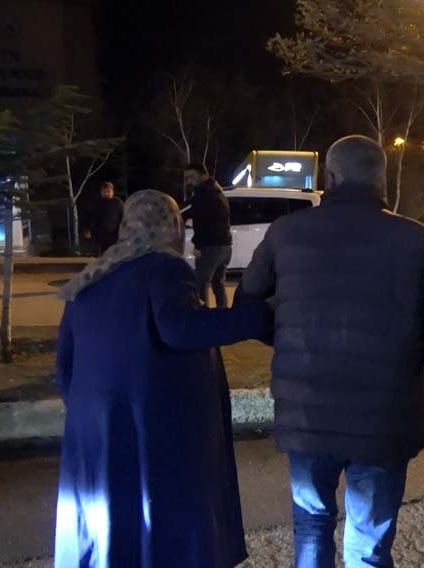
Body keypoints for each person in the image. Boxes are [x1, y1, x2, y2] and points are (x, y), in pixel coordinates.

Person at [240, 135, 424, 568]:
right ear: (381, 182)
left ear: (329, 178)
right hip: (383, 416)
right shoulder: (413, 240)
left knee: (312, 524)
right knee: (368, 545)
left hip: (308, 414)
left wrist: (292, 339)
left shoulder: (287, 232)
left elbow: (247, 306)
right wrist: (403, 355)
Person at [54, 190, 271, 568]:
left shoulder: (93, 275)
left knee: (114, 519)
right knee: (162, 522)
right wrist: (257, 317)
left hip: (97, 428)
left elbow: (65, 365)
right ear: (171, 228)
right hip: (153, 427)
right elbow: (180, 328)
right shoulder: (165, 268)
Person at [184, 163, 232, 307]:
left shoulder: (202, 193)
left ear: (203, 175)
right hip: (225, 245)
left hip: (210, 247)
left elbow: (201, 221)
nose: (189, 181)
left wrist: (198, 245)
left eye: (192, 176)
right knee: (218, 284)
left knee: (200, 285)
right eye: (186, 178)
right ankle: (223, 314)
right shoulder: (218, 190)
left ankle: (203, 315)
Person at [82, 181, 125, 255]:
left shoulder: (118, 203)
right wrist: (86, 228)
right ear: (101, 192)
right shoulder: (96, 203)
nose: (106, 193)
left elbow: (123, 217)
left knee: (114, 254)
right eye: (104, 191)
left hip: (114, 235)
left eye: (108, 191)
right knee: (101, 255)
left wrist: (123, 230)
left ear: (112, 191)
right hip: (99, 234)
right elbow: (88, 216)